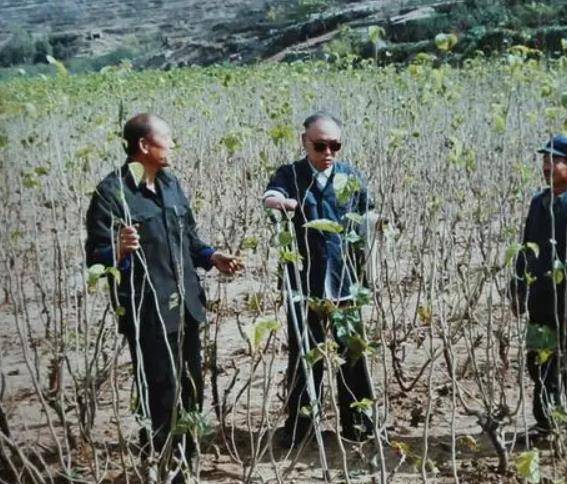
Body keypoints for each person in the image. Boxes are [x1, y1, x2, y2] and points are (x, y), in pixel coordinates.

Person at [85, 113, 241, 478]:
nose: (172, 145)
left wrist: (212, 257)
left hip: (186, 305)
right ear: (144, 146)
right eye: (166, 139)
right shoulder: (112, 193)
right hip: (147, 311)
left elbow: (189, 239)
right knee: (159, 389)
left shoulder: (171, 184)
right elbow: (96, 258)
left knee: (191, 386)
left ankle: (188, 458)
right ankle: (162, 460)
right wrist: (118, 250)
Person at [263, 112, 376, 448]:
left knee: (352, 355)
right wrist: (279, 203)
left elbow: (367, 213)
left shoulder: (349, 176)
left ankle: (358, 425)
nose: (328, 152)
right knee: (305, 355)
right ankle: (300, 427)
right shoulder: (291, 175)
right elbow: (269, 196)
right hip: (305, 285)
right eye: (321, 145)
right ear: (305, 142)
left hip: (345, 283)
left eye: (335, 146)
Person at [511, 134, 567, 438]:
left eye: (555, 160)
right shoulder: (539, 203)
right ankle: (546, 421)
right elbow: (526, 246)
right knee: (540, 364)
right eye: (545, 159)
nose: (547, 165)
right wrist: (517, 287)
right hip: (539, 300)